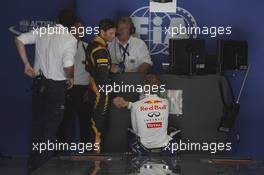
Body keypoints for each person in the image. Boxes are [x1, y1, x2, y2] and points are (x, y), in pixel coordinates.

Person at [15, 9, 77, 171]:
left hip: (39, 83)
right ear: (73, 24)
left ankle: (32, 162)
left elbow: (19, 39)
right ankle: (42, 167)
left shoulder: (43, 30)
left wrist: (26, 64)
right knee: (50, 128)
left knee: (37, 125)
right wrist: (70, 77)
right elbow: (68, 65)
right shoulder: (70, 39)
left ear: (57, 20)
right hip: (56, 87)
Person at [113, 75, 180, 155]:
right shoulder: (166, 102)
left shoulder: (135, 105)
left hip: (143, 148)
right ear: (158, 87)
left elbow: (136, 130)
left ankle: (131, 158)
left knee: (130, 131)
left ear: (144, 88)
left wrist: (129, 105)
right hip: (164, 146)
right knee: (174, 129)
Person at [57, 21, 94, 150]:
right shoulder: (61, 47)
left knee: (86, 124)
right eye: (76, 29)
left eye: (81, 30)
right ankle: (59, 154)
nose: (79, 32)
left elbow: (93, 71)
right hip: (65, 89)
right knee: (61, 124)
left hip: (83, 90)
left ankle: (87, 154)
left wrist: (89, 90)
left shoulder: (88, 47)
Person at [85, 18, 116, 153]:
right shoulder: (100, 49)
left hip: (94, 87)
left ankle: (96, 151)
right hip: (100, 90)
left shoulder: (93, 45)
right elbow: (102, 75)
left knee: (97, 118)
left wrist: (109, 69)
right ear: (102, 32)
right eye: (110, 33)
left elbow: (93, 68)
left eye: (114, 33)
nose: (113, 36)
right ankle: (96, 152)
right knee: (98, 120)